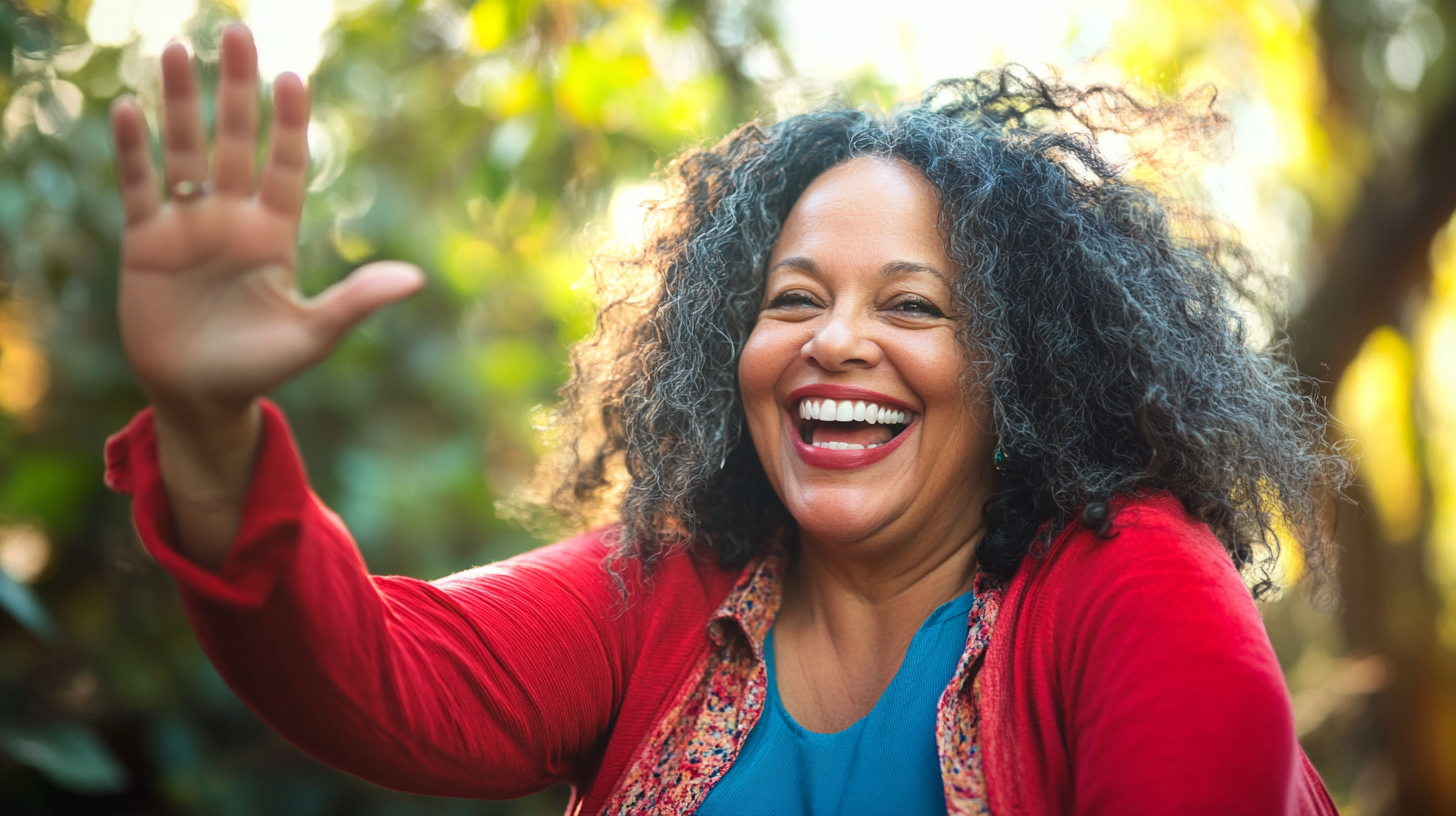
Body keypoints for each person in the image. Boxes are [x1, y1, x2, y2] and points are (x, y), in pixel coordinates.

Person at [104, 23, 1351, 816]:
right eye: (792, 299)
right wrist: (211, 431)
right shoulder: (663, 591)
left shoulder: (1131, 584)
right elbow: (373, 674)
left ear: (1024, 372)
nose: (834, 339)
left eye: (911, 305)